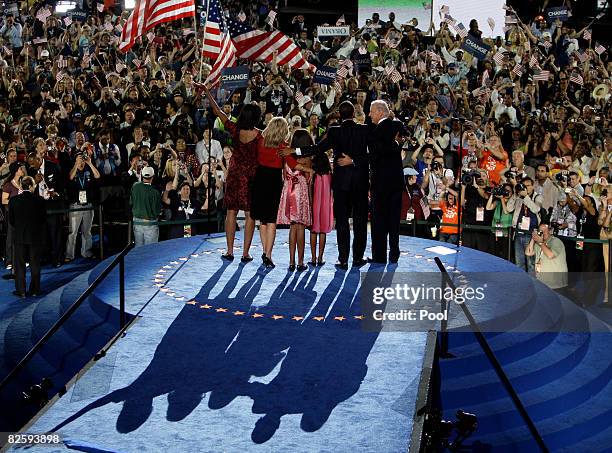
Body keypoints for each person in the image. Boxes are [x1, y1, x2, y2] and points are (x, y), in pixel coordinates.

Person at [280, 101, 370, 269]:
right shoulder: (364, 129)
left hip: (342, 183)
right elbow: (373, 154)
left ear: (339, 115)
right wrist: (355, 160)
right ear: (353, 113)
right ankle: (357, 258)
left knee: (342, 221)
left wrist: (295, 151)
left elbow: (317, 148)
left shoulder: (335, 131)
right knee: (360, 221)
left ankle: (343, 259)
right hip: (360, 182)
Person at [199, 84, 260, 262]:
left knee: (231, 212)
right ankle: (246, 253)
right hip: (250, 177)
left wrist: (206, 91)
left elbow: (218, 111)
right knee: (250, 215)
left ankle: (230, 250)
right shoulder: (260, 136)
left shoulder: (234, 129)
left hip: (234, 175)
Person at [368, 100, 405, 264]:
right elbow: (406, 138)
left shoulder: (374, 133)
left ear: (380, 112)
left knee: (379, 221)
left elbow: (375, 156)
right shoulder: (398, 126)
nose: (369, 115)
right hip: (396, 184)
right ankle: (394, 253)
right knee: (394, 221)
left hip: (380, 184)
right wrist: (397, 144)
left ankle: (379, 256)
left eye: (371, 111)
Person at [251, 117, 290, 268]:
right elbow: (291, 165)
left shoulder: (260, 141)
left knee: (262, 220)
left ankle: (264, 251)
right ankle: (268, 254)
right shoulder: (283, 146)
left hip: (260, 178)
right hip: (274, 181)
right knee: (271, 219)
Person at [277, 129, 314, 271]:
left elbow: (283, 173)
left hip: (288, 190)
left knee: (292, 227)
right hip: (300, 191)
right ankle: (300, 262)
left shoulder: (287, 157)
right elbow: (309, 177)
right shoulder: (307, 159)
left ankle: (291, 262)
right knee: (300, 227)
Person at [8, 176, 46, 298]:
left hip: (19, 237)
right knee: (35, 263)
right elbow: (43, 219)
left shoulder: (13, 200)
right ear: (30, 186)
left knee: (19, 265)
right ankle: (35, 290)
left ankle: (22, 291)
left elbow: (11, 220)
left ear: (22, 186)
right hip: (35, 236)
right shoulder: (39, 200)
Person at [65, 152, 101, 262]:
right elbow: (70, 178)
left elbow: (98, 176)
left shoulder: (88, 169)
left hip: (88, 204)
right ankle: (69, 255)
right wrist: (76, 165)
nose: (81, 160)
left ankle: (86, 252)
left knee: (87, 231)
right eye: (79, 158)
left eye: (82, 158)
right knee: (73, 232)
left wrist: (90, 164)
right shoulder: (73, 170)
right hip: (76, 205)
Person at [525, 221, 568, 290]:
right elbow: (528, 252)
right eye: (540, 231)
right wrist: (533, 238)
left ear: (550, 231)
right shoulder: (539, 243)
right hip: (543, 283)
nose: (542, 233)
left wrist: (541, 242)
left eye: (544, 231)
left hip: (556, 284)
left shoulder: (556, 241)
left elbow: (550, 255)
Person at [309, 148, 334, 266]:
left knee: (313, 231)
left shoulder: (313, 175)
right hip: (326, 208)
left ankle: (313, 258)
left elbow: (310, 191)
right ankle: (320, 257)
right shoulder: (329, 175)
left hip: (314, 206)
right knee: (323, 232)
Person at [130, 167, 162, 247]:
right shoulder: (155, 192)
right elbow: (156, 211)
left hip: (137, 222)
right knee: (150, 249)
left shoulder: (135, 186)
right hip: (150, 223)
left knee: (138, 247)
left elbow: (131, 202)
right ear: (152, 177)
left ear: (142, 175)